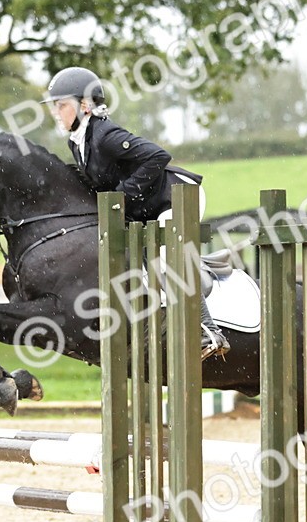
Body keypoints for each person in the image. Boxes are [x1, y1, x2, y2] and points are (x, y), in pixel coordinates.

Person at [42, 66, 229, 359]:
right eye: (55, 106)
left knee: (168, 260)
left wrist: (124, 197)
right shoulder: (78, 140)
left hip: (178, 197)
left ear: (84, 105)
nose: (56, 112)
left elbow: (157, 156)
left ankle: (209, 332)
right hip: (148, 211)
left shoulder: (105, 134)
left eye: (61, 105)